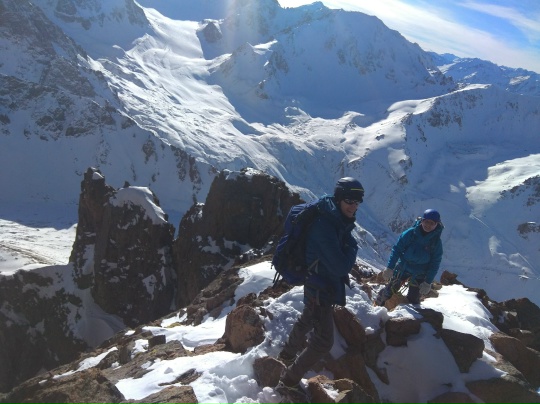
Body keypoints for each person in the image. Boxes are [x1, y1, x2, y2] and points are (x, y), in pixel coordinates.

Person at [275, 177, 363, 400]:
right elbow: (341, 265)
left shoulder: (333, 216)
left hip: (320, 282)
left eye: (357, 201)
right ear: (339, 198)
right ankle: (288, 381)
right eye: (349, 200)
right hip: (320, 285)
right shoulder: (325, 225)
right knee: (323, 342)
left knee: (308, 317)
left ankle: (286, 354)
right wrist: (352, 246)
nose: (353, 206)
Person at [375, 209, 444, 306]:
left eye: (432, 223)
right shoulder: (410, 233)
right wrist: (390, 267)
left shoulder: (436, 243)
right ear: (422, 221)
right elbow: (397, 250)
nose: (428, 225)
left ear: (436, 224)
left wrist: (428, 282)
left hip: (420, 272)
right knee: (389, 292)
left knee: (413, 300)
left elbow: (435, 263)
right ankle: (380, 305)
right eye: (426, 222)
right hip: (404, 267)